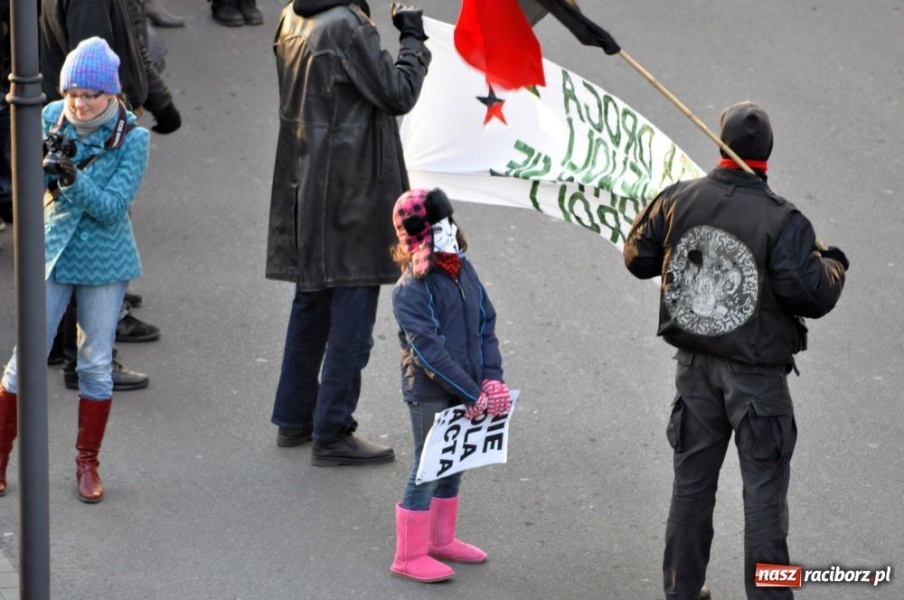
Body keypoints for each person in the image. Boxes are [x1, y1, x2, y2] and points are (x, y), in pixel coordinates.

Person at [622, 101, 848, 600]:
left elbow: (637, 255)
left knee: (691, 489)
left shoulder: (679, 198)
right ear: (767, 153)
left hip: (694, 371)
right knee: (766, 500)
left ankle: (682, 592)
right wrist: (831, 260)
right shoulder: (783, 219)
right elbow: (811, 293)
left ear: (719, 145)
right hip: (757, 381)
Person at [266, 0, 431, 466]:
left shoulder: (291, 16)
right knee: (352, 316)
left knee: (311, 302)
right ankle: (332, 430)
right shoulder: (348, 26)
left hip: (308, 179)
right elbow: (398, 92)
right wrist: (413, 37)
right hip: (353, 187)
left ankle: (294, 416)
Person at [0, 37, 150, 502]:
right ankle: (0, 457)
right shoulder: (48, 117)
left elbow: (111, 209)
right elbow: (26, 188)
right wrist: (43, 167)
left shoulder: (133, 138)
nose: (80, 104)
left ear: (113, 93)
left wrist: (71, 176)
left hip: (105, 261)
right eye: (73, 94)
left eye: (91, 95)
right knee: (24, 361)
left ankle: (87, 464)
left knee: (95, 365)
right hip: (52, 253)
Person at [388, 188, 510, 583]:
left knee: (453, 463)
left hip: (467, 387)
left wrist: (491, 378)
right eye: (440, 227)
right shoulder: (409, 290)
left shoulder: (464, 269)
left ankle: (441, 540)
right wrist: (471, 392)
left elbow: (485, 324)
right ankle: (408, 555)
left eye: (449, 223)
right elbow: (429, 353)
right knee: (428, 468)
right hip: (430, 393)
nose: (450, 232)